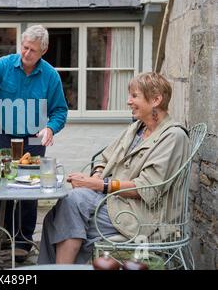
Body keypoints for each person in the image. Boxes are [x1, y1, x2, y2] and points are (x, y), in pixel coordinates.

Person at [38, 72, 190, 264]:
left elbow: (148, 188)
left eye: (134, 96)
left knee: (70, 207)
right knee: (57, 214)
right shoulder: (137, 129)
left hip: (142, 215)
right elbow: (104, 157)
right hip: (114, 202)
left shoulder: (173, 137)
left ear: (156, 100)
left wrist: (99, 184)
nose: (128, 101)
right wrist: (97, 176)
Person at [0, 25, 68, 261]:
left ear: (43, 50)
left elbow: (60, 111)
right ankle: (6, 235)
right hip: (4, 134)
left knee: (28, 189)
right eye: (25, 47)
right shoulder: (4, 65)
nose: (26, 53)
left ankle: (23, 240)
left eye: (33, 50)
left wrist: (50, 127)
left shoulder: (50, 76)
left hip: (34, 138)